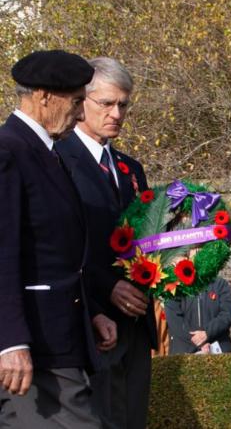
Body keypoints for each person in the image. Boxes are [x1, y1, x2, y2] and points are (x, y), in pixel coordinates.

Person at [0, 49, 116, 427]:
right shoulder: (9, 152)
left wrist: (92, 311)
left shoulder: (47, 153)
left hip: (59, 339)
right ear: (44, 96)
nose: (81, 114)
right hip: (34, 346)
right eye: (77, 102)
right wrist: (11, 341)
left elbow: (59, 254)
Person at [54, 56, 155, 429]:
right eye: (107, 103)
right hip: (89, 318)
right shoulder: (58, 159)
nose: (116, 113)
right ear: (82, 102)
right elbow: (62, 245)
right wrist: (107, 288)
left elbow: (145, 239)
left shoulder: (131, 168)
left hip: (135, 321)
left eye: (123, 105)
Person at [164, 278, 231, 355]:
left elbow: (228, 314)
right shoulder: (174, 286)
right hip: (184, 352)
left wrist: (207, 333)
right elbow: (174, 319)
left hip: (219, 349)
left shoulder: (219, 284)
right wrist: (197, 341)